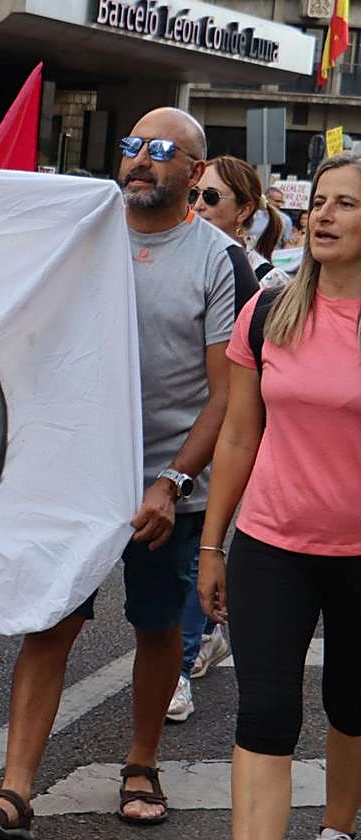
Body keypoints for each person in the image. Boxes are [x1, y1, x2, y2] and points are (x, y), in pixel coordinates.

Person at [0, 107, 255, 837]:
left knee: (156, 629)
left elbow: (227, 395)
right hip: (79, 478)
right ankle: (15, 789)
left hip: (169, 485)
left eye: (161, 150)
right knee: (51, 621)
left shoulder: (220, 260)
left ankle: (141, 763)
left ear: (194, 169)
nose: (140, 160)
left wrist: (174, 480)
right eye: (131, 146)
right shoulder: (81, 235)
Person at [197, 153, 361, 840]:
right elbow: (238, 436)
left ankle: (336, 827)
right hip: (271, 546)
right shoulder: (269, 309)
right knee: (264, 714)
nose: (323, 214)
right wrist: (212, 544)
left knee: (352, 707)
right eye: (319, 201)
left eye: (346, 203)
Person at [165, 155, 293, 723]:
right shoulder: (177, 260)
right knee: (188, 555)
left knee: (198, 551)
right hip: (180, 430)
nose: (198, 207)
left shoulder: (271, 285)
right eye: (196, 197)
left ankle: (181, 670)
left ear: (245, 211)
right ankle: (191, 647)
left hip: (233, 431)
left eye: (211, 198)